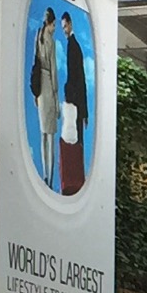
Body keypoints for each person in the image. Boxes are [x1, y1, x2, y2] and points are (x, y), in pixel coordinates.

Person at [58, 14, 89, 195]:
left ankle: (73, 180)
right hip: (79, 103)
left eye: (65, 26)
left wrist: (69, 96)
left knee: (72, 142)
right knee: (77, 143)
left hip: (75, 102)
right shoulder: (75, 46)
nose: (64, 30)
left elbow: (75, 77)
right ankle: (77, 179)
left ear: (70, 24)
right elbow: (81, 80)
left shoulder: (72, 46)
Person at [32, 8, 61, 186]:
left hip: (39, 87)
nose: (55, 28)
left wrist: (35, 92)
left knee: (43, 133)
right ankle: (50, 176)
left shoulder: (38, 36)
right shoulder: (51, 41)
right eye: (54, 24)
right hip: (48, 85)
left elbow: (35, 63)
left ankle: (44, 172)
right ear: (51, 23)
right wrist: (57, 98)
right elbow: (54, 70)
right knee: (51, 134)